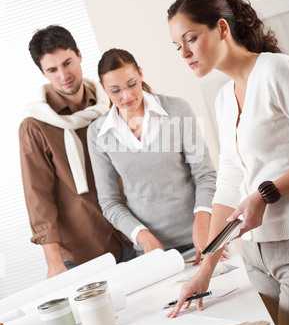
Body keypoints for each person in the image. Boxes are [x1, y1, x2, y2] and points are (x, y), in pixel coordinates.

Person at [166, 0, 289, 325]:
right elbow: (228, 180)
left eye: (191, 38)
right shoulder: (225, 99)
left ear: (222, 28)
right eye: (177, 46)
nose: (185, 53)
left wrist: (264, 194)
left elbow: (256, 189)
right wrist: (205, 267)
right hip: (254, 254)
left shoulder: (275, 70)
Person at [19, 25, 134, 278]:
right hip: (84, 252)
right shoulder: (36, 125)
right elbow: (38, 197)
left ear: (79, 55)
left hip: (135, 234)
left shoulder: (112, 101)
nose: (64, 75)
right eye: (52, 69)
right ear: (43, 73)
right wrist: (53, 262)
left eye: (67, 62)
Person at [87, 48, 217, 259]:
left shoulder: (177, 110)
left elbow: (205, 175)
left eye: (131, 84)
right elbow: (109, 202)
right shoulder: (98, 133)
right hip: (151, 253)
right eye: (115, 90)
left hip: (200, 241)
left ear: (140, 73)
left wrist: (203, 223)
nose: (126, 95)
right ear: (103, 88)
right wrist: (144, 238)